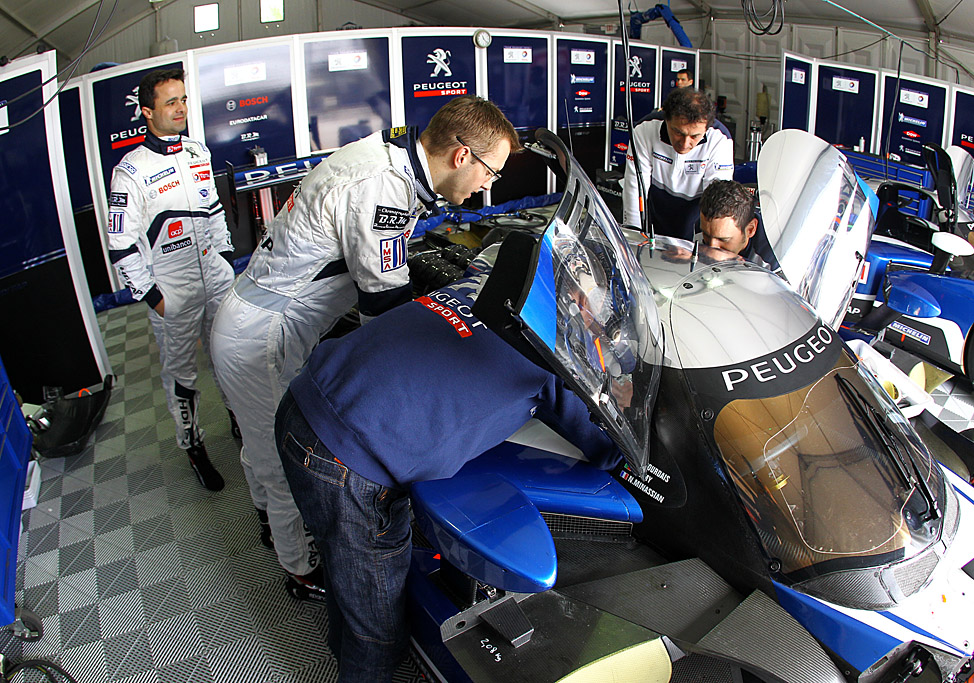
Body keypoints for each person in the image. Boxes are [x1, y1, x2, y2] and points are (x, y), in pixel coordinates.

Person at [210, 96, 521, 599]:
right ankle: (300, 568)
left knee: (260, 443)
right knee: (279, 456)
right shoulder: (383, 187)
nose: (490, 184)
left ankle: (270, 523)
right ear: (462, 155)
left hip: (258, 319)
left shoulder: (390, 156)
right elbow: (384, 304)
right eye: (492, 171)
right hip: (261, 334)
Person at [275, 273, 622, 683]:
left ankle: (342, 642)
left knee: (346, 566)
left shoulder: (476, 290)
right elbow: (605, 445)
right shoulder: (552, 357)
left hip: (302, 403)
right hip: (344, 461)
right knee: (378, 625)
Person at [106, 68, 235, 491]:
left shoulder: (198, 150)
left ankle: (237, 416)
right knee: (182, 374)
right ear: (147, 112)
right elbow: (120, 244)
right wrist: (151, 297)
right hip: (171, 288)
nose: (180, 109)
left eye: (182, 100)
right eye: (170, 103)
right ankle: (193, 445)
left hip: (213, 277)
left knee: (227, 356)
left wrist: (226, 258)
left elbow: (214, 208)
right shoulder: (130, 172)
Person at [622, 88, 734, 240]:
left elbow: (716, 201)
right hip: (655, 212)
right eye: (678, 132)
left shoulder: (720, 139)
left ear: (706, 129)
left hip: (696, 217)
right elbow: (634, 187)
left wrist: (705, 245)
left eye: (695, 136)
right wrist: (633, 235)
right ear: (666, 120)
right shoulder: (645, 129)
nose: (685, 143)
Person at [698, 179, 780, 272]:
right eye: (706, 235)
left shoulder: (773, 260)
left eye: (723, 240)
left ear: (750, 229)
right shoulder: (705, 231)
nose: (712, 248)